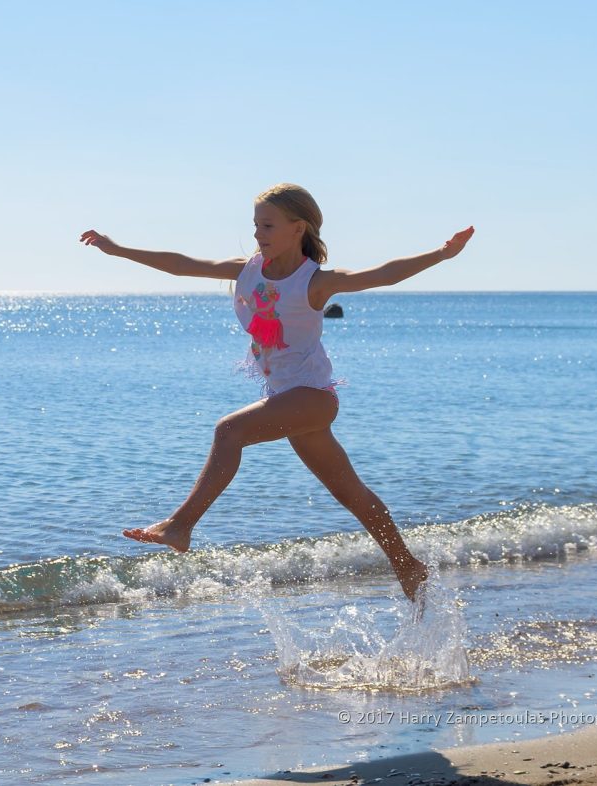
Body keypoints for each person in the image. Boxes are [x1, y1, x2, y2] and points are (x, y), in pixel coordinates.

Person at [79, 183, 474, 602]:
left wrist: (440, 255)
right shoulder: (247, 270)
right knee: (350, 494)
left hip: (312, 397)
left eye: (267, 225)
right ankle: (408, 566)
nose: (257, 234)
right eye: (255, 225)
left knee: (229, 431)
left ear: (297, 228)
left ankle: (180, 526)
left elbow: (381, 274)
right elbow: (180, 264)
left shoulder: (315, 282)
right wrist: (118, 250)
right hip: (288, 398)